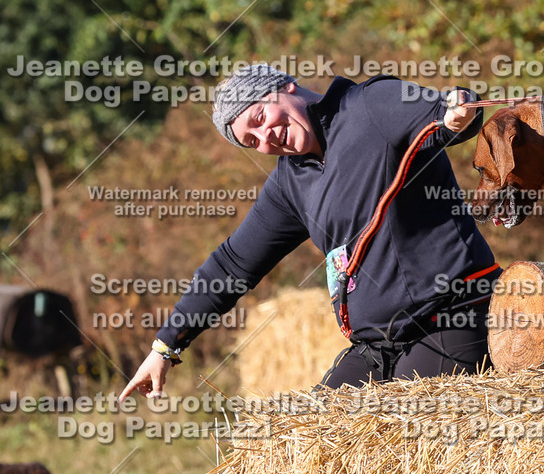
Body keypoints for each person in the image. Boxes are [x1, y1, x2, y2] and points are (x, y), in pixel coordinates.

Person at [118, 63, 499, 401]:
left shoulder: (371, 104)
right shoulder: (289, 183)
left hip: (453, 318)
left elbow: (445, 116)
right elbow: (232, 265)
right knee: (317, 444)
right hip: (374, 346)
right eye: (252, 142)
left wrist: (456, 112)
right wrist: (164, 347)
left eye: (259, 120)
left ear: (283, 88)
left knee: (405, 440)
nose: (266, 140)